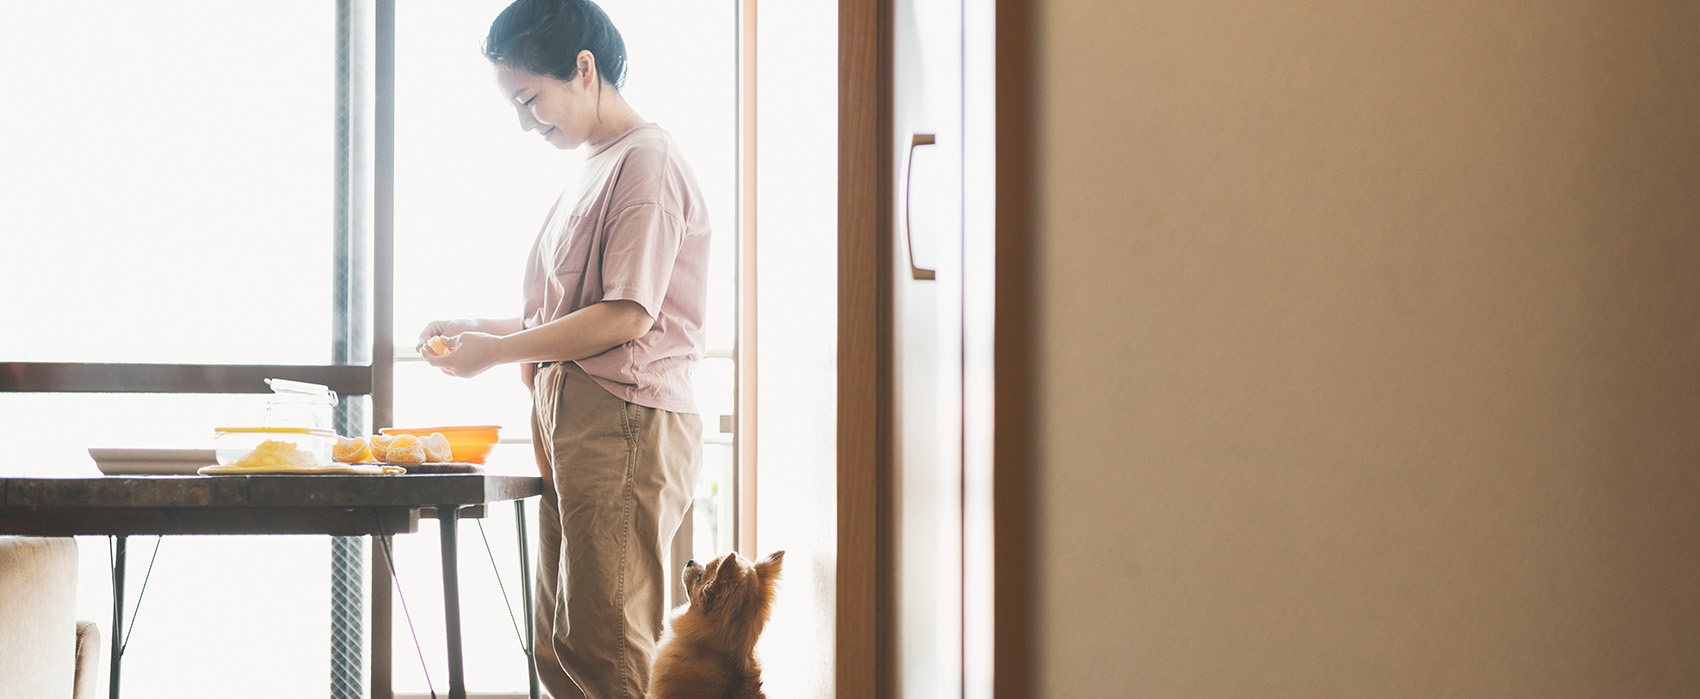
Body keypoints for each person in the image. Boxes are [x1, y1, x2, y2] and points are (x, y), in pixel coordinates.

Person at [417, 1, 709, 696]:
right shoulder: (598, 162)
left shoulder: (647, 161)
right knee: (561, 645)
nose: (525, 122)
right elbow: (573, 311)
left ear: (583, 69)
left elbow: (626, 315)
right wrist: (478, 330)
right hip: (579, 420)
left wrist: (494, 351)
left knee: (605, 645)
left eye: (529, 100)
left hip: (624, 418)